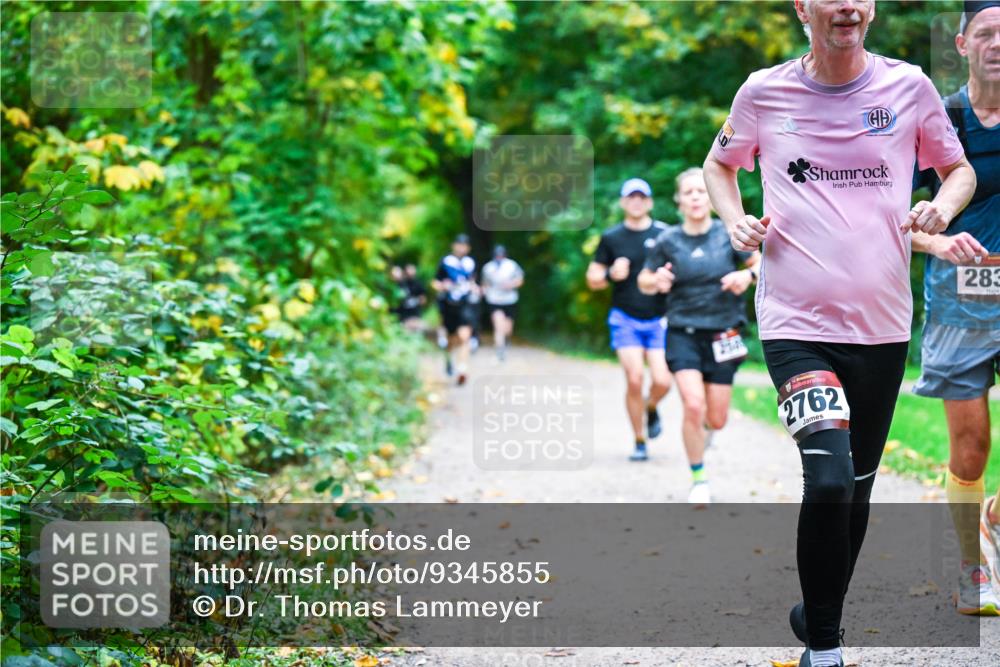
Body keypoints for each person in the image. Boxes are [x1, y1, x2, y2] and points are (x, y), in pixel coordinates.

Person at [702, 1, 977, 665]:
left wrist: (938, 209)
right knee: (826, 479)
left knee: (856, 485)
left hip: (882, 325)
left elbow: (958, 168)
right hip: (796, 321)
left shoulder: (907, 86)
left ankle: (816, 609)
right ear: (804, 7)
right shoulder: (764, 91)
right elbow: (719, 165)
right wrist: (734, 219)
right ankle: (824, 647)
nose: (848, 5)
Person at [911, 0, 1000, 616]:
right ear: (964, 43)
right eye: (987, 34)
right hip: (960, 304)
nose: (999, 44)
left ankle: (993, 515)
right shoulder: (940, 120)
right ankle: (972, 571)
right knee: (972, 446)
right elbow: (890, 219)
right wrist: (937, 239)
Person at [638, 168, 760, 505]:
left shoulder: (730, 234)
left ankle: (701, 438)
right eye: (688, 192)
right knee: (693, 404)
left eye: (701, 191)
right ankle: (698, 477)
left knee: (715, 419)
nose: (695, 197)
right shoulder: (668, 241)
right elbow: (644, 281)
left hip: (725, 332)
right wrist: (656, 282)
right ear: (678, 200)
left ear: (711, 198)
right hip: (683, 331)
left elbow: (761, 263)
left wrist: (746, 276)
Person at [586, 178, 673, 462]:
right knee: (634, 378)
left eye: (641, 197)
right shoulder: (612, 237)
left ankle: (651, 407)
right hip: (625, 318)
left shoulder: (665, 234)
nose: (636, 201)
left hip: (659, 318)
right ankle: (639, 440)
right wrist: (611, 274)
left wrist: (669, 281)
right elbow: (593, 279)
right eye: (631, 197)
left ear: (649, 202)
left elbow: (682, 270)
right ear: (623, 202)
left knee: (662, 381)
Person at [432, 234, 478, 386]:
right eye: (459, 244)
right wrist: (442, 286)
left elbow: (473, 282)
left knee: (464, 336)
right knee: (453, 339)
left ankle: (462, 369)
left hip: (464, 304)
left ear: (468, 248)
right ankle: (449, 358)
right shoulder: (446, 262)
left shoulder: (470, 263)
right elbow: (435, 282)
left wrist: (475, 288)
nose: (461, 247)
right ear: (454, 246)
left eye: (464, 245)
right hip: (448, 305)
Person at [481, 245, 524, 361]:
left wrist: (511, 284)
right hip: (494, 300)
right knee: (498, 325)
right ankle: (500, 349)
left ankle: (506, 340)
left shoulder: (512, 265)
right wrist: (483, 291)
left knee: (508, 328)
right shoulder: (487, 268)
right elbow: (485, 284)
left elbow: (520, 280)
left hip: (510, 300)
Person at [391, 264, 427, 332]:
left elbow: (423, 299)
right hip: (402, 317)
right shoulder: (398, 285)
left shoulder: (418, 284)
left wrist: (416, 301)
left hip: (415, 315)